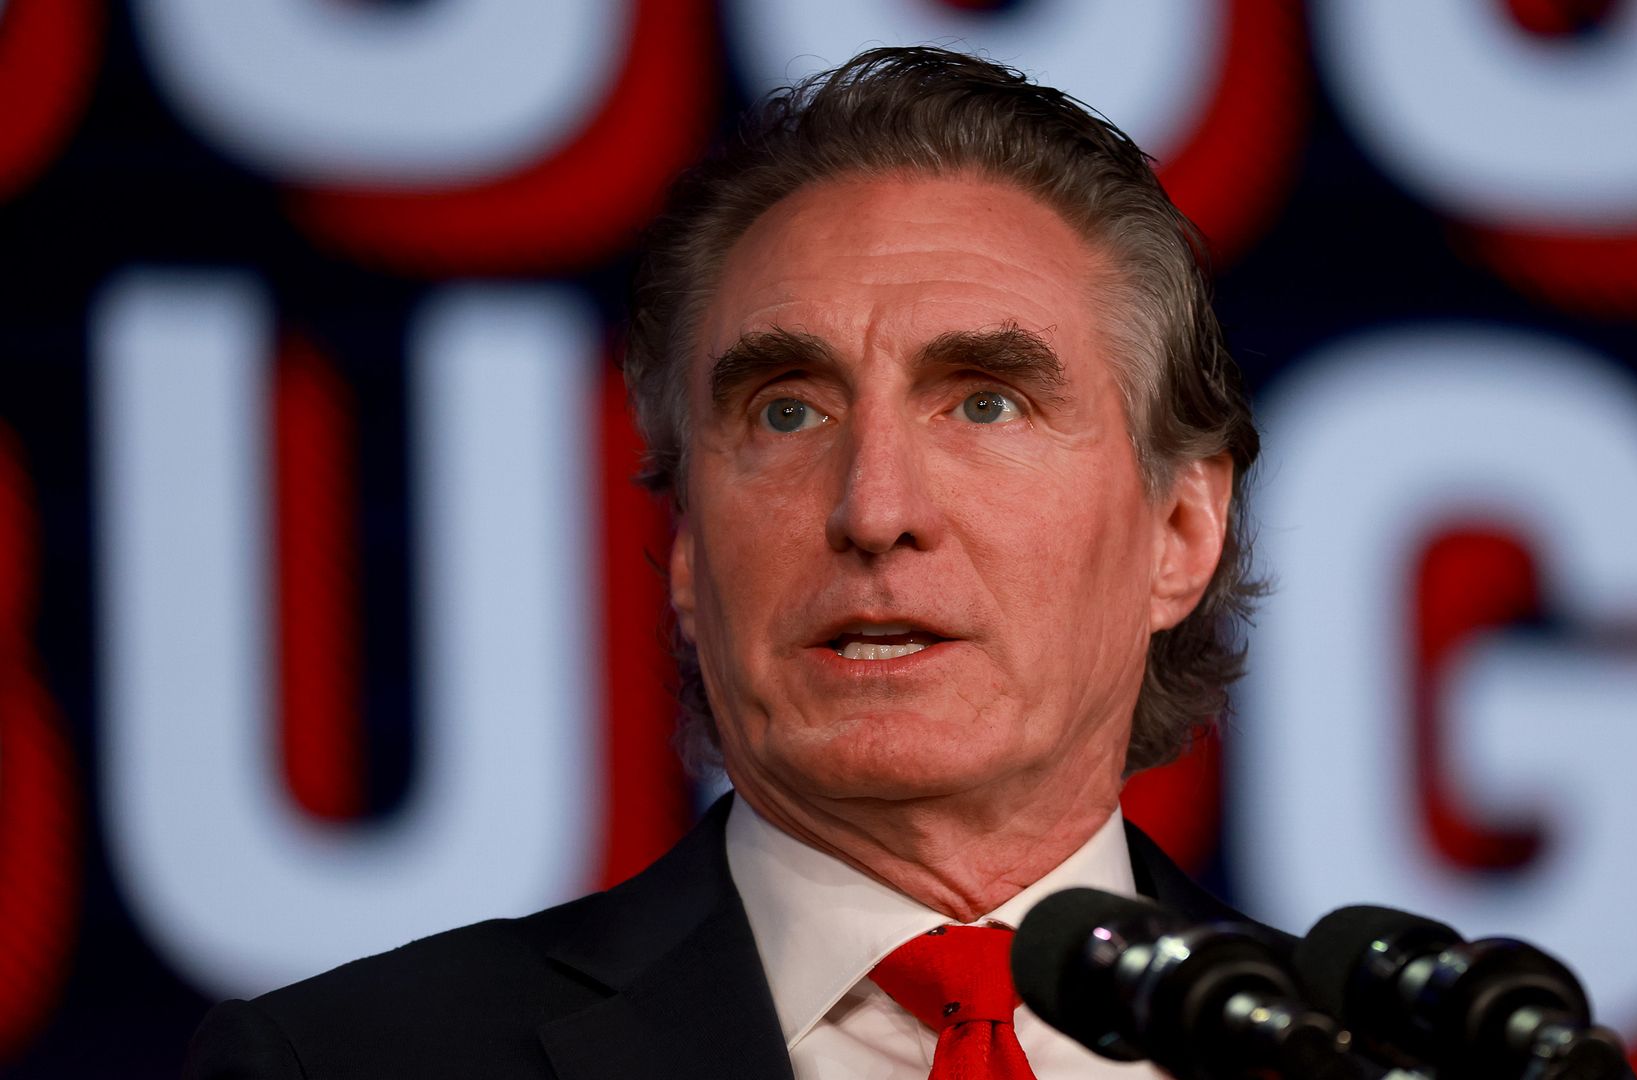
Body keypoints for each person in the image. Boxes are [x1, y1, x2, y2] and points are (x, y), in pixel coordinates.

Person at [185, 45, 1270, 1079]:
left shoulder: (1371, 1057)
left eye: (986, 402)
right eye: (788, 411)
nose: (874, 509)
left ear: (1180, 531)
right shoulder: (344, 1072)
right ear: (690, 552)